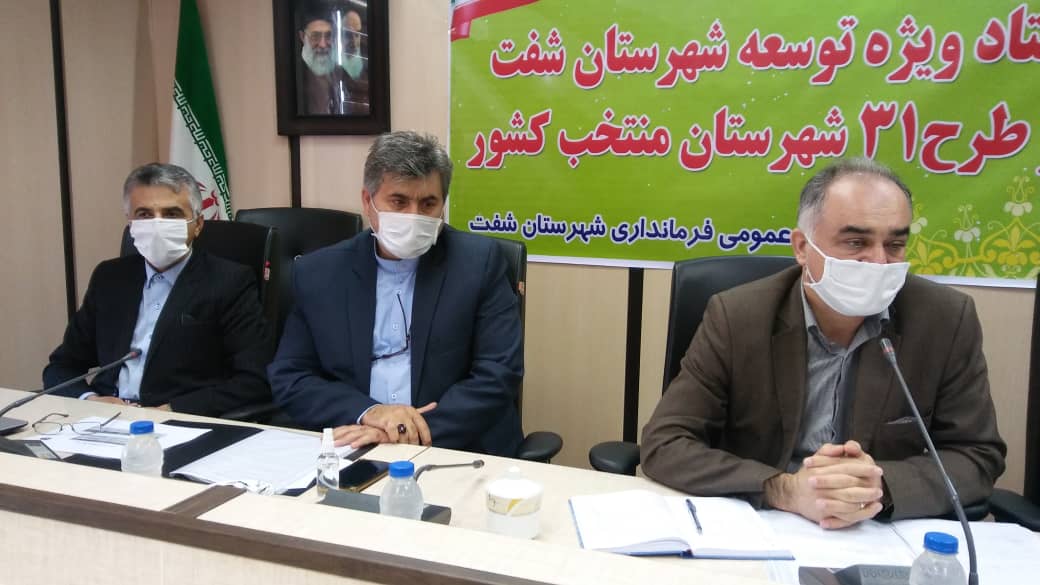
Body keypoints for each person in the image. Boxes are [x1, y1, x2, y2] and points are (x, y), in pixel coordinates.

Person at [640, 158, 1006, 526]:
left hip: (876, 529)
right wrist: (784, 489)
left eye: (895, 244)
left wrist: (879, 487)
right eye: (856, 242)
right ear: (802, 247)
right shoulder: (738, 316)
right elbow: (666, 443)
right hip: (764, 521)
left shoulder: (944, 319)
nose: (879, 262)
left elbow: (978, 455)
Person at [268, 131, 524, 457]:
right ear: (368, 201)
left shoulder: (479, 263)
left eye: (428, 204)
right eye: (399, 202)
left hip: (454, 447)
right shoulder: (320, 273)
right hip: (354, 444)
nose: (414, 216)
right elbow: (291, 376)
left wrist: (400, 432)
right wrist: (369, 414)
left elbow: (499, 373)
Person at [43, 163, 273, 416]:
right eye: (144, 214)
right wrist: (90, 399)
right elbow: (61, 367)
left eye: (172, 214)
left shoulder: (229, 281)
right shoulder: (109, 278)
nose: (157, 225)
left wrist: (171, 410)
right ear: (130, 223)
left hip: (177, 420)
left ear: (198, 224)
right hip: (104, 418)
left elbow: (254, 380)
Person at [297, 11, 351, 115]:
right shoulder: (294, 75)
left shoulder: (339, 72)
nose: (323, 44)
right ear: (302, 37)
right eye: (315, 36)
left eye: (328, 36)